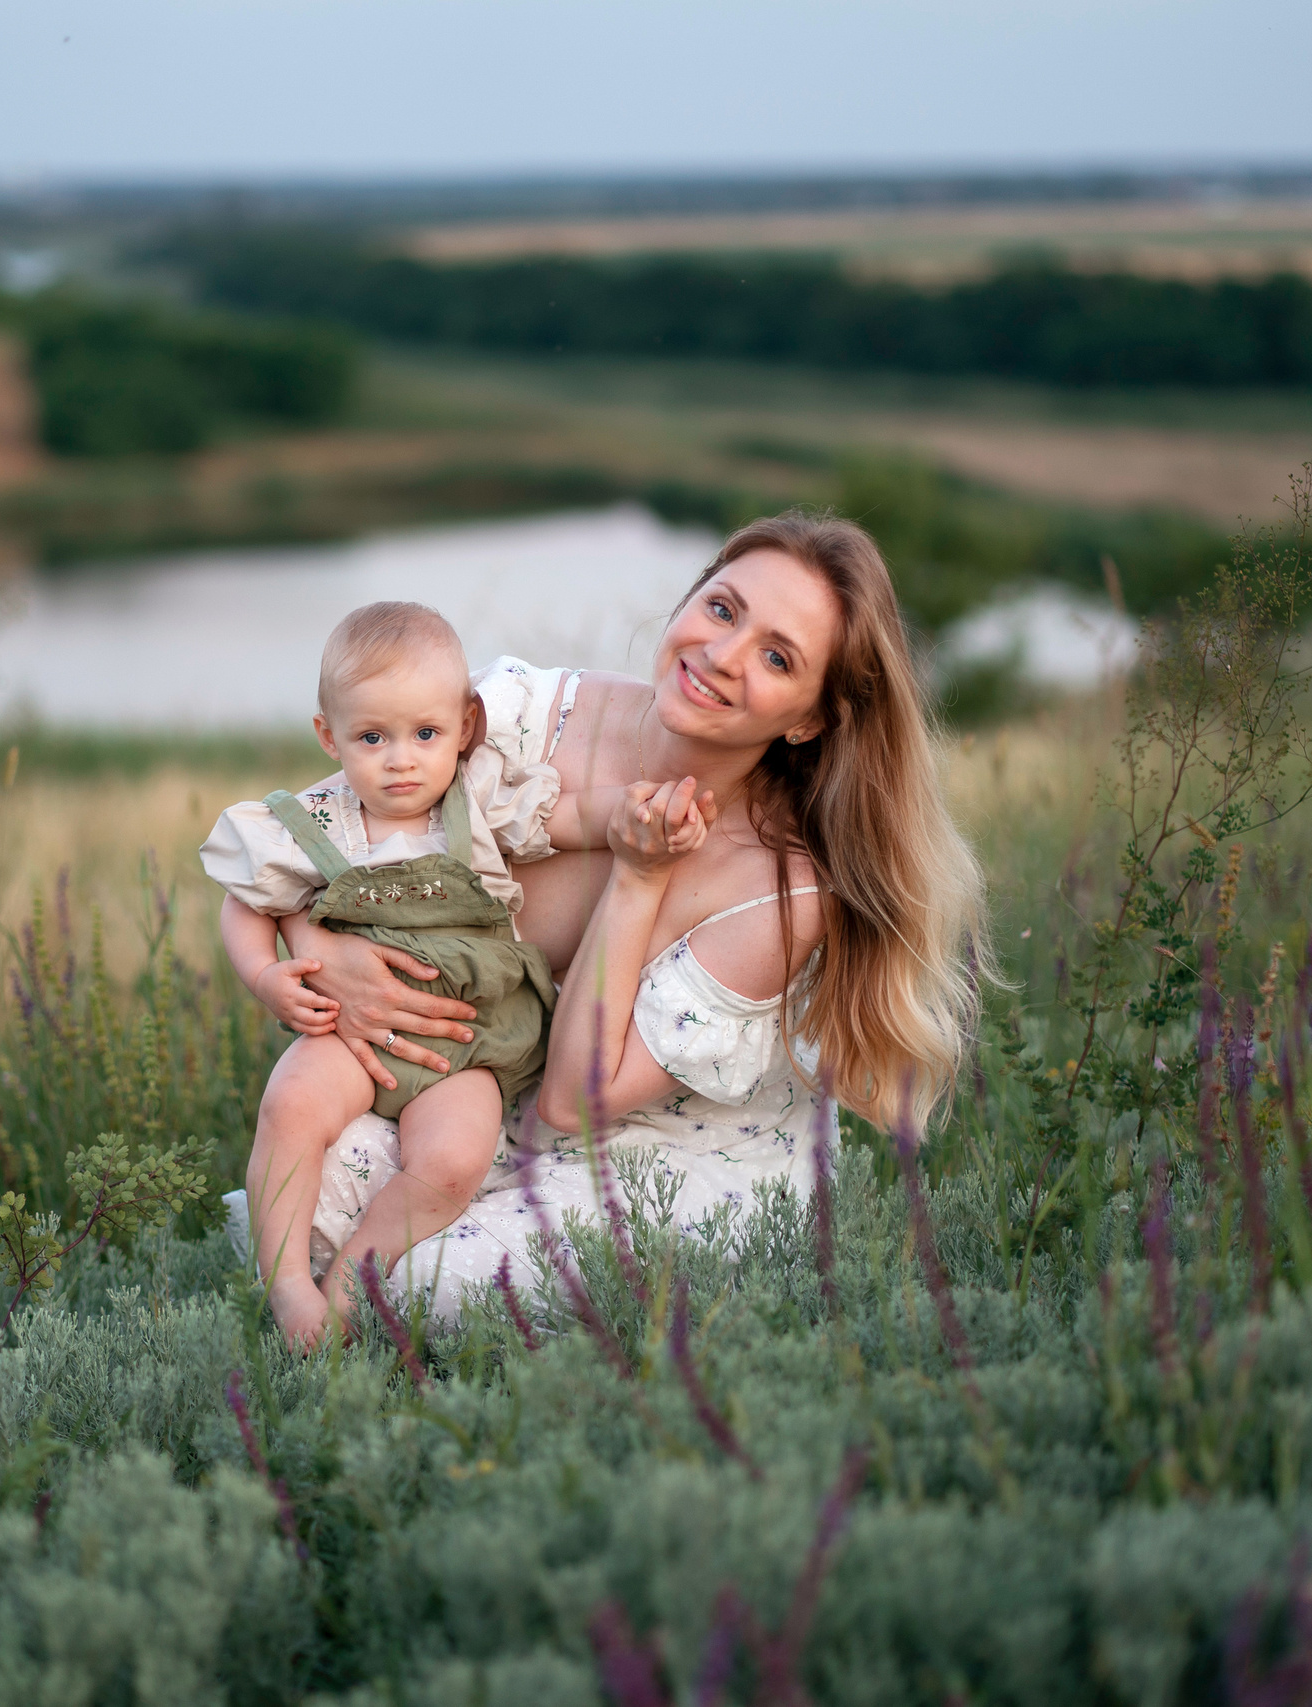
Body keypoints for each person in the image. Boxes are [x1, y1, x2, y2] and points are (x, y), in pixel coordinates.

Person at [249, 511, 988, 1322]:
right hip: (486, 1084)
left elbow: (575, 1100)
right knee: (306, 1195)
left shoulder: (782, 894)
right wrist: (325, 956)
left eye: (777, 657)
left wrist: (639, 878)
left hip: (653, 1152)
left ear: (808, 718)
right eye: (722, 608)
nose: (723, 654)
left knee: (433, 1283)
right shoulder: (529, 713)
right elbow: (308, 837)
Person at [204, 603, 612, 1347]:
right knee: (290, 1105)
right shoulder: (315, 822)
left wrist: (636, 815)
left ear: (465, 725)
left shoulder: (477, 802)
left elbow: (572, 819)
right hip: (351, 1035)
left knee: (453, 1162)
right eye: (372, 737)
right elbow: (245, 903)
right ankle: (286, 1281)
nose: (400, 760)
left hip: (469, 1038)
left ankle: (356, 1272)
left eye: (426, 734)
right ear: (329, 736)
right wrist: (265, 976)